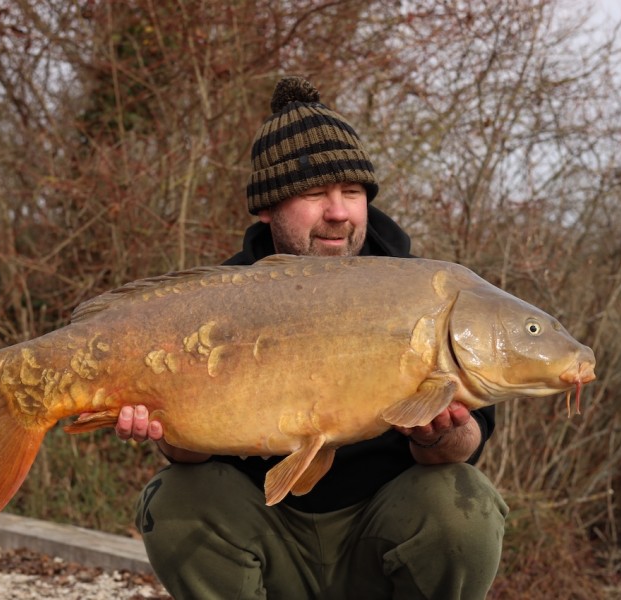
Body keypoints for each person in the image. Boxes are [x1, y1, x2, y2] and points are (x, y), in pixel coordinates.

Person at [119, 76, 508, 599]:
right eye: (313, 193)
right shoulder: (218, 300)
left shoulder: (423, 290)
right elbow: (193, 459)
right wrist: (165, 428)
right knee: (175, 497)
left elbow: (470, 440)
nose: (338, 212)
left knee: (464, 499)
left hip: (378, 539)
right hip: (271, 536)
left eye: (352, 192)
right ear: (267, 209)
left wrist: (441, 435)